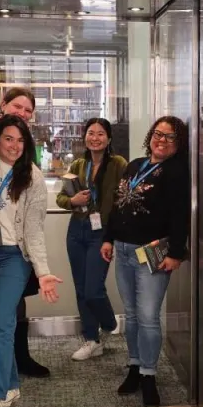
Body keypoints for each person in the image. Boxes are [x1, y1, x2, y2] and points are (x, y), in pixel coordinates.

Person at [101, 116, 191, 407]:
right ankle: (135, 366)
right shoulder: (135, 166)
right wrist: (107, 238)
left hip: (152, 252)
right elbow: (118, 204)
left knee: (149, 315)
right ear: (150, 136)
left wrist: (176, 253)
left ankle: (150, 375)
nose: (161, 141)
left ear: (179, 144)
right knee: (131, 313)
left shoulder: (176, 172)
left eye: (170, 137)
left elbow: (180, 215)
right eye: (158, 134)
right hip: (124, 250)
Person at [0, 114, 63, 407]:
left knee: (0, 323)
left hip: (14, 257)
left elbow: (33, 231)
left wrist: (42, 272)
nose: (14, 146)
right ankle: (11, 384)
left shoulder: (32, 177)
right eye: (8, 138)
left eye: (20, 140)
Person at [0, 87, 50, 378]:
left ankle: (16, 364)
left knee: (9, 310)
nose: (22, 113)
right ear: (3, 106)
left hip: (14, 249)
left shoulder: (29, 163)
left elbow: (33, 223)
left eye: (27, 111)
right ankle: (3, 375)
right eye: (18, 107)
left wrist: (42, 268)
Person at [56, 118, 127, 361]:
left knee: (93, 290)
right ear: (84, 137)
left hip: (102, 233)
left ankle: (108, 322)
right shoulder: (77, 164)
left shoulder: (118, 164)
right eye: (90, 133)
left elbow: (124, 201)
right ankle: (92, 340)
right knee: (80, 288)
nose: (94, 137)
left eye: (100, 133)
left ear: (108, 139)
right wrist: (73, 202)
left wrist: (113, 235)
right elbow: (61, 198)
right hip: (77, 230)